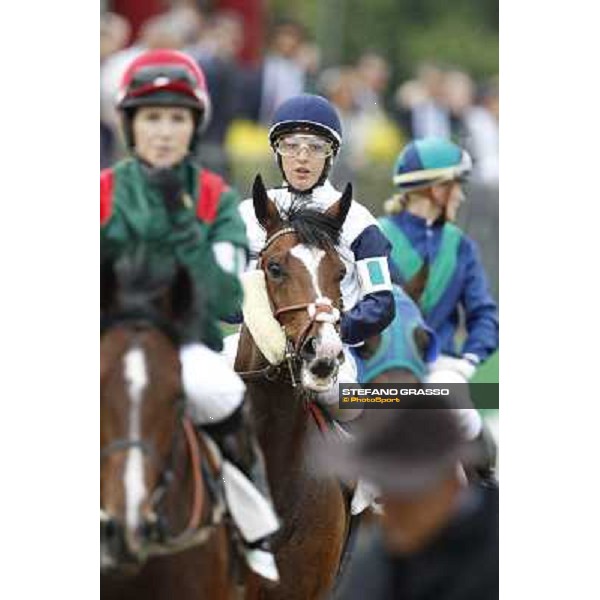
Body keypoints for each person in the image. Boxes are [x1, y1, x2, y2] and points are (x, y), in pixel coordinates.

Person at [99, 49, 279, 581]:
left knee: (222, 393)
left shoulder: (214, 199)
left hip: (182, 343)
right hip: (108, 342)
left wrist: (180, 223)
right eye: (151, 117)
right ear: (130, 125)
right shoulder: (99, 193)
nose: (163, 131)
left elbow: (225, 299)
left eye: (176, 118)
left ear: (193, 126)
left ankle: (253, 523)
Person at [235, 94, 401, 419]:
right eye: (291, 145)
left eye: (315, 146)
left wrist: (335, 328)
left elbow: (381, 301)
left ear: (331, 155)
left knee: (349, 407)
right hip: (255, 350)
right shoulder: (246, 215)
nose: (302, 157)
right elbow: (225, 301)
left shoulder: (358, 221)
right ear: (277, 152)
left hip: (327, 351)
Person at [323, 396, 499, 600]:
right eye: (386, 493)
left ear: (450, 482)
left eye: (406, 494)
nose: (389, 515)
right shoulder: (382, 558)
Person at [380, 137, 498, 382]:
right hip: (382, 368)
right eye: (457, 186)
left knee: (465, 409)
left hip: (441, 369)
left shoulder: (462, 246)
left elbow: (484, 313)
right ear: (438, 189)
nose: (461, 197)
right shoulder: (374, 237)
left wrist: (470, 359)